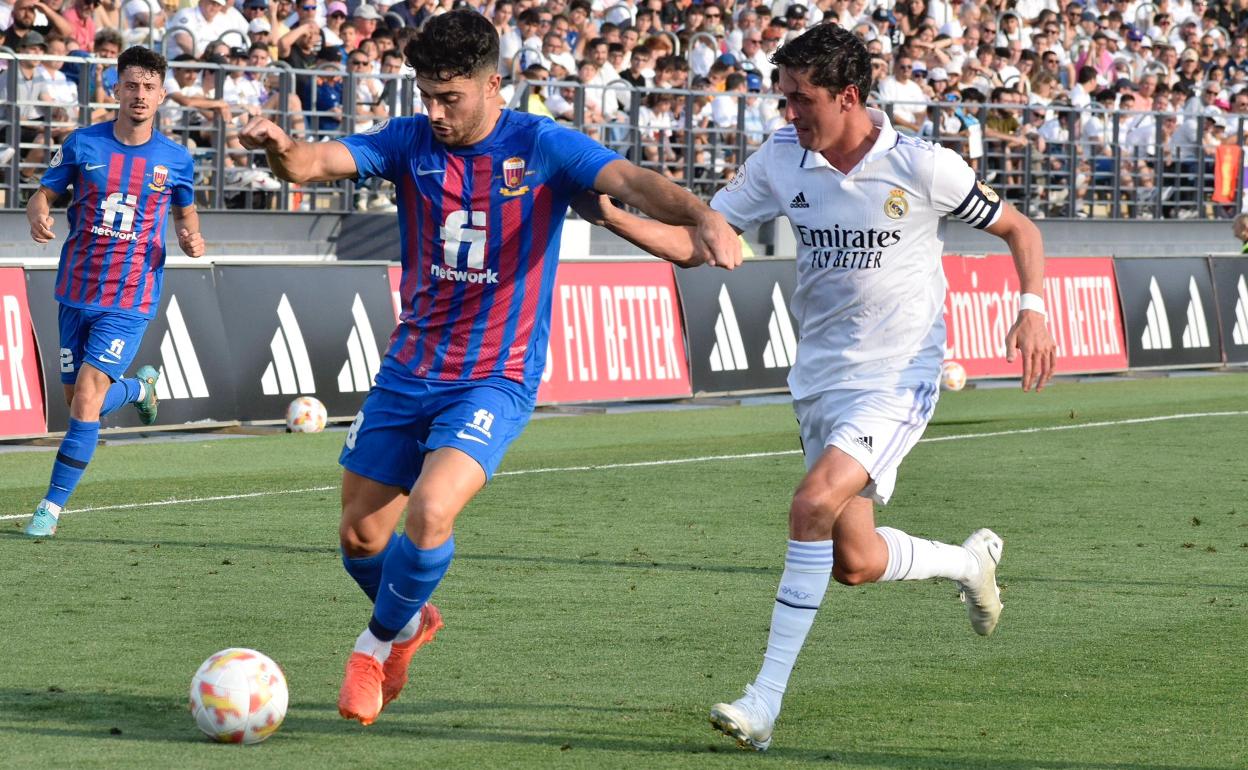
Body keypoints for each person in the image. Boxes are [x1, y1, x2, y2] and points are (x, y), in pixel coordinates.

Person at [238, 9, 741, 727]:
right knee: (360, 541)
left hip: (493, 376)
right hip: (409, 369)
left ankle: (373, 644)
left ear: (492, 85)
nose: (437, 114)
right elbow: (315, 163)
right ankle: (411, 623)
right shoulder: (409, 141)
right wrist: (280, 148)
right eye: (428, 97)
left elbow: (631, 178)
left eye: (452, 98)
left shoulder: (540, 145)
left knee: (432, 509)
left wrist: (704, 215)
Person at [578, 23, 1056, 751]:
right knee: (854, 563)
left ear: (849, 96)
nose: (789, 114)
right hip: (820, 380)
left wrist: (1032, 308)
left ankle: (764, 700)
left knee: (810, 503)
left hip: (899, 379)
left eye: (802, 100)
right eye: (784, 99)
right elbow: (695, 243)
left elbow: (1019, 229)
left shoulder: (924, 166)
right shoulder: (779, 160)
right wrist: (613, 217)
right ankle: (968, 562)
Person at [24, 46, 205, 538]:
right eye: (131, 85)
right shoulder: (83, 144)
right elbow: (44, 191)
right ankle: (139, 388)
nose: (140, 95)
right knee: (78, 399)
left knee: (85, 398)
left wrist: (192, 237)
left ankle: (50, 507)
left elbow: (186, 215)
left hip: (130, 295)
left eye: (149, 87)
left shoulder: (176, 160)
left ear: (162, 94)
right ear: (116, 89)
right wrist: (38, 209)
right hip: (75, 290)